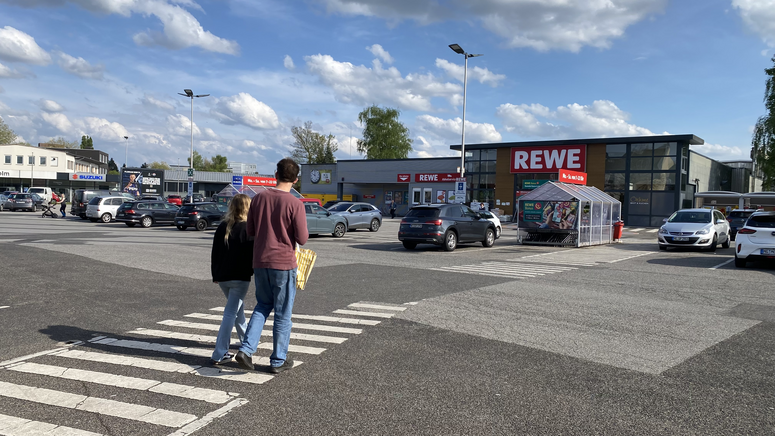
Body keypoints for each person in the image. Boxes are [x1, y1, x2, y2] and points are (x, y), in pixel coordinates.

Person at [235, 158, 309, 374]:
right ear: (296, 180)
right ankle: (278, 360)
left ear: (275, 175)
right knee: (283, 313)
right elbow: (303, 238)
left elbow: (250, 231)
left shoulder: (258, 199)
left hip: (260, 261)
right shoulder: (296, 204)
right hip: (284, 264)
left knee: (262, 306)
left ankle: (246, 350)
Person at [210, 194, 253, 365]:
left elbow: (215, 253)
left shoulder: (223, 226)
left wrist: (215, 275)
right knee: (231, 312)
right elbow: (251, 256)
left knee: (237, 311)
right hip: (240, 278)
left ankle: (246, 343)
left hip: (223, 278)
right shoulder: (248, 228)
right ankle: (219, 353)